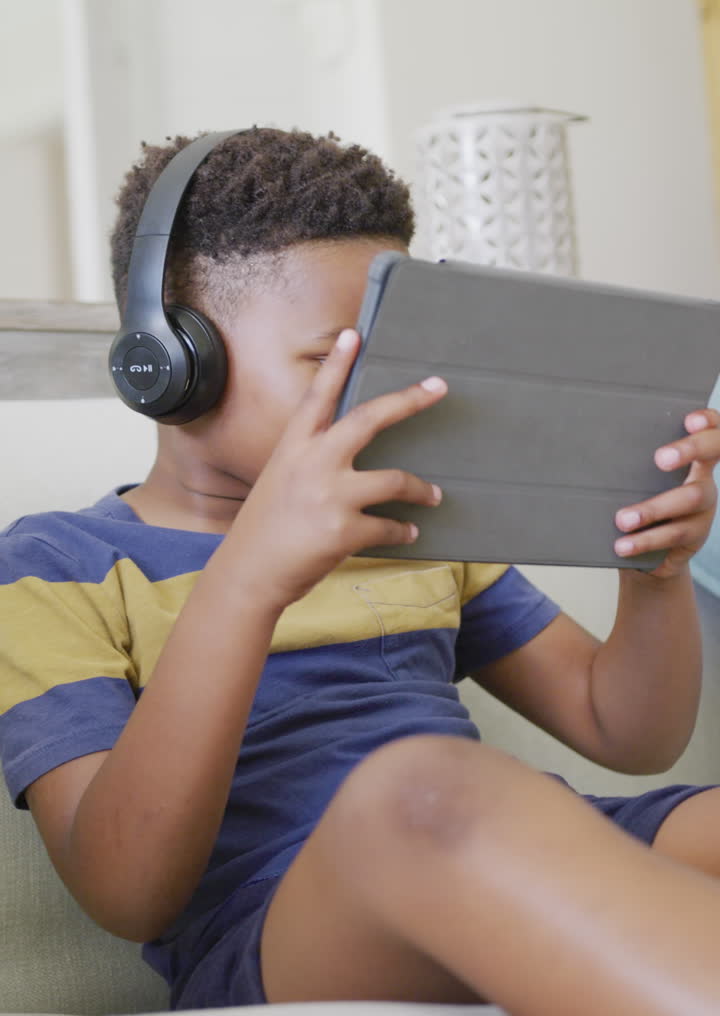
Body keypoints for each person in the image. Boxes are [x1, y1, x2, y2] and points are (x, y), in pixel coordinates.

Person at [3, 127, 720, 1016]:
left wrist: (654, 572)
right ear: (173, 365)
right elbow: (127, 890)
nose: (380, 399)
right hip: (286, 927)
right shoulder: (57, 565)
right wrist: (250, 577)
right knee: (421, 786)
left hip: (508, 855)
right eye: (334, 359)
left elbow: (628, 735)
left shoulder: (412, 518)